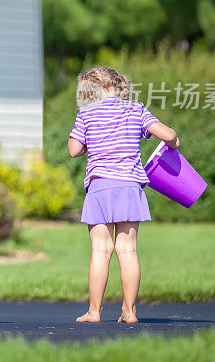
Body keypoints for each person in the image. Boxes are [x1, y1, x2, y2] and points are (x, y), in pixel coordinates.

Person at [68, 67, 179, 323]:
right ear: (118, 85)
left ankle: (94, 312)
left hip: (100, 187)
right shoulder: (136, 109)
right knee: (127, 251)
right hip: (130, 187)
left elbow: (74, 150)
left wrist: (92, 143)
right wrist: (173, 145)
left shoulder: (86, 113)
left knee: (100, 249)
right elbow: (169, 135)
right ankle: (129, 312)